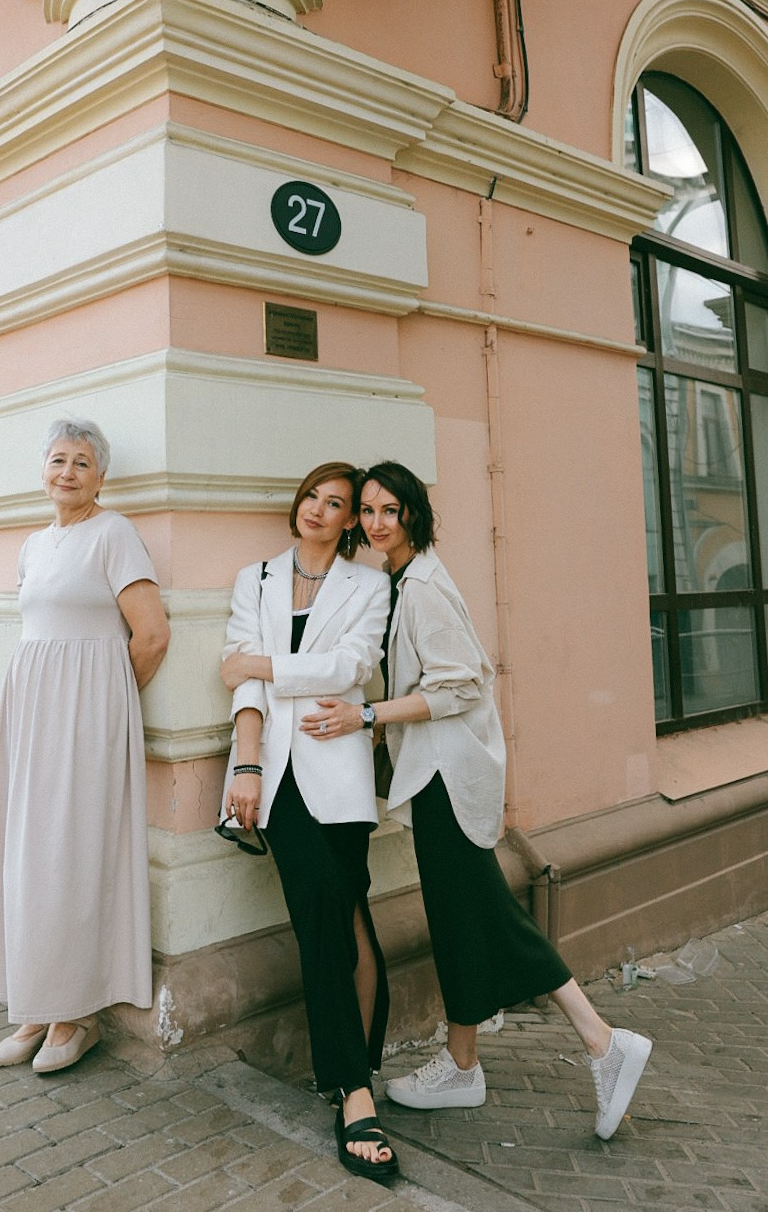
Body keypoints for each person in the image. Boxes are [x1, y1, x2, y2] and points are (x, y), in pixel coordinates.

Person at [301, 460, 652, 1142]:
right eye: (366, 511)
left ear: (412, 514)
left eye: (388, 510)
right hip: (432, 774)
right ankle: (463, 1063)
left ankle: (603, 1041)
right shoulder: (399, 577)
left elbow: (461, 684)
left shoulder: (424, 585)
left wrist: (368, 717)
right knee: (458, 916)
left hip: (446, 776)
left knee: (485, 911)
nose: (375, 522)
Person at [220, 463, 397, 1182]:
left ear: (352, 520)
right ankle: (352, 1089)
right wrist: (247, 764)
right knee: (322, 909)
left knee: (346, 907)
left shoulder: (369, 584)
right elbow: (241, 681)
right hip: (277, 774)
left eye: (336, 505)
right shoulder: (253, 578)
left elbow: (351, 666)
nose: (318, 511)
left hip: (339, 768)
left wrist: (265, 660)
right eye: (312, 498)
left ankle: (357, 1063)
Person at [0, 417, 170, 1073]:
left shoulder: (113, 533)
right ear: (43, 468)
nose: (68, 471)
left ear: (101, 476)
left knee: (71, 855)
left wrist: (103, 710)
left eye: (82, 462)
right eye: (58, 458)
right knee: (30, 855)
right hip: (32, 717)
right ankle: (35, 1006)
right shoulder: (34, 543)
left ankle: (77, 1014)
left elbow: (149, 635)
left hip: (84, 720)